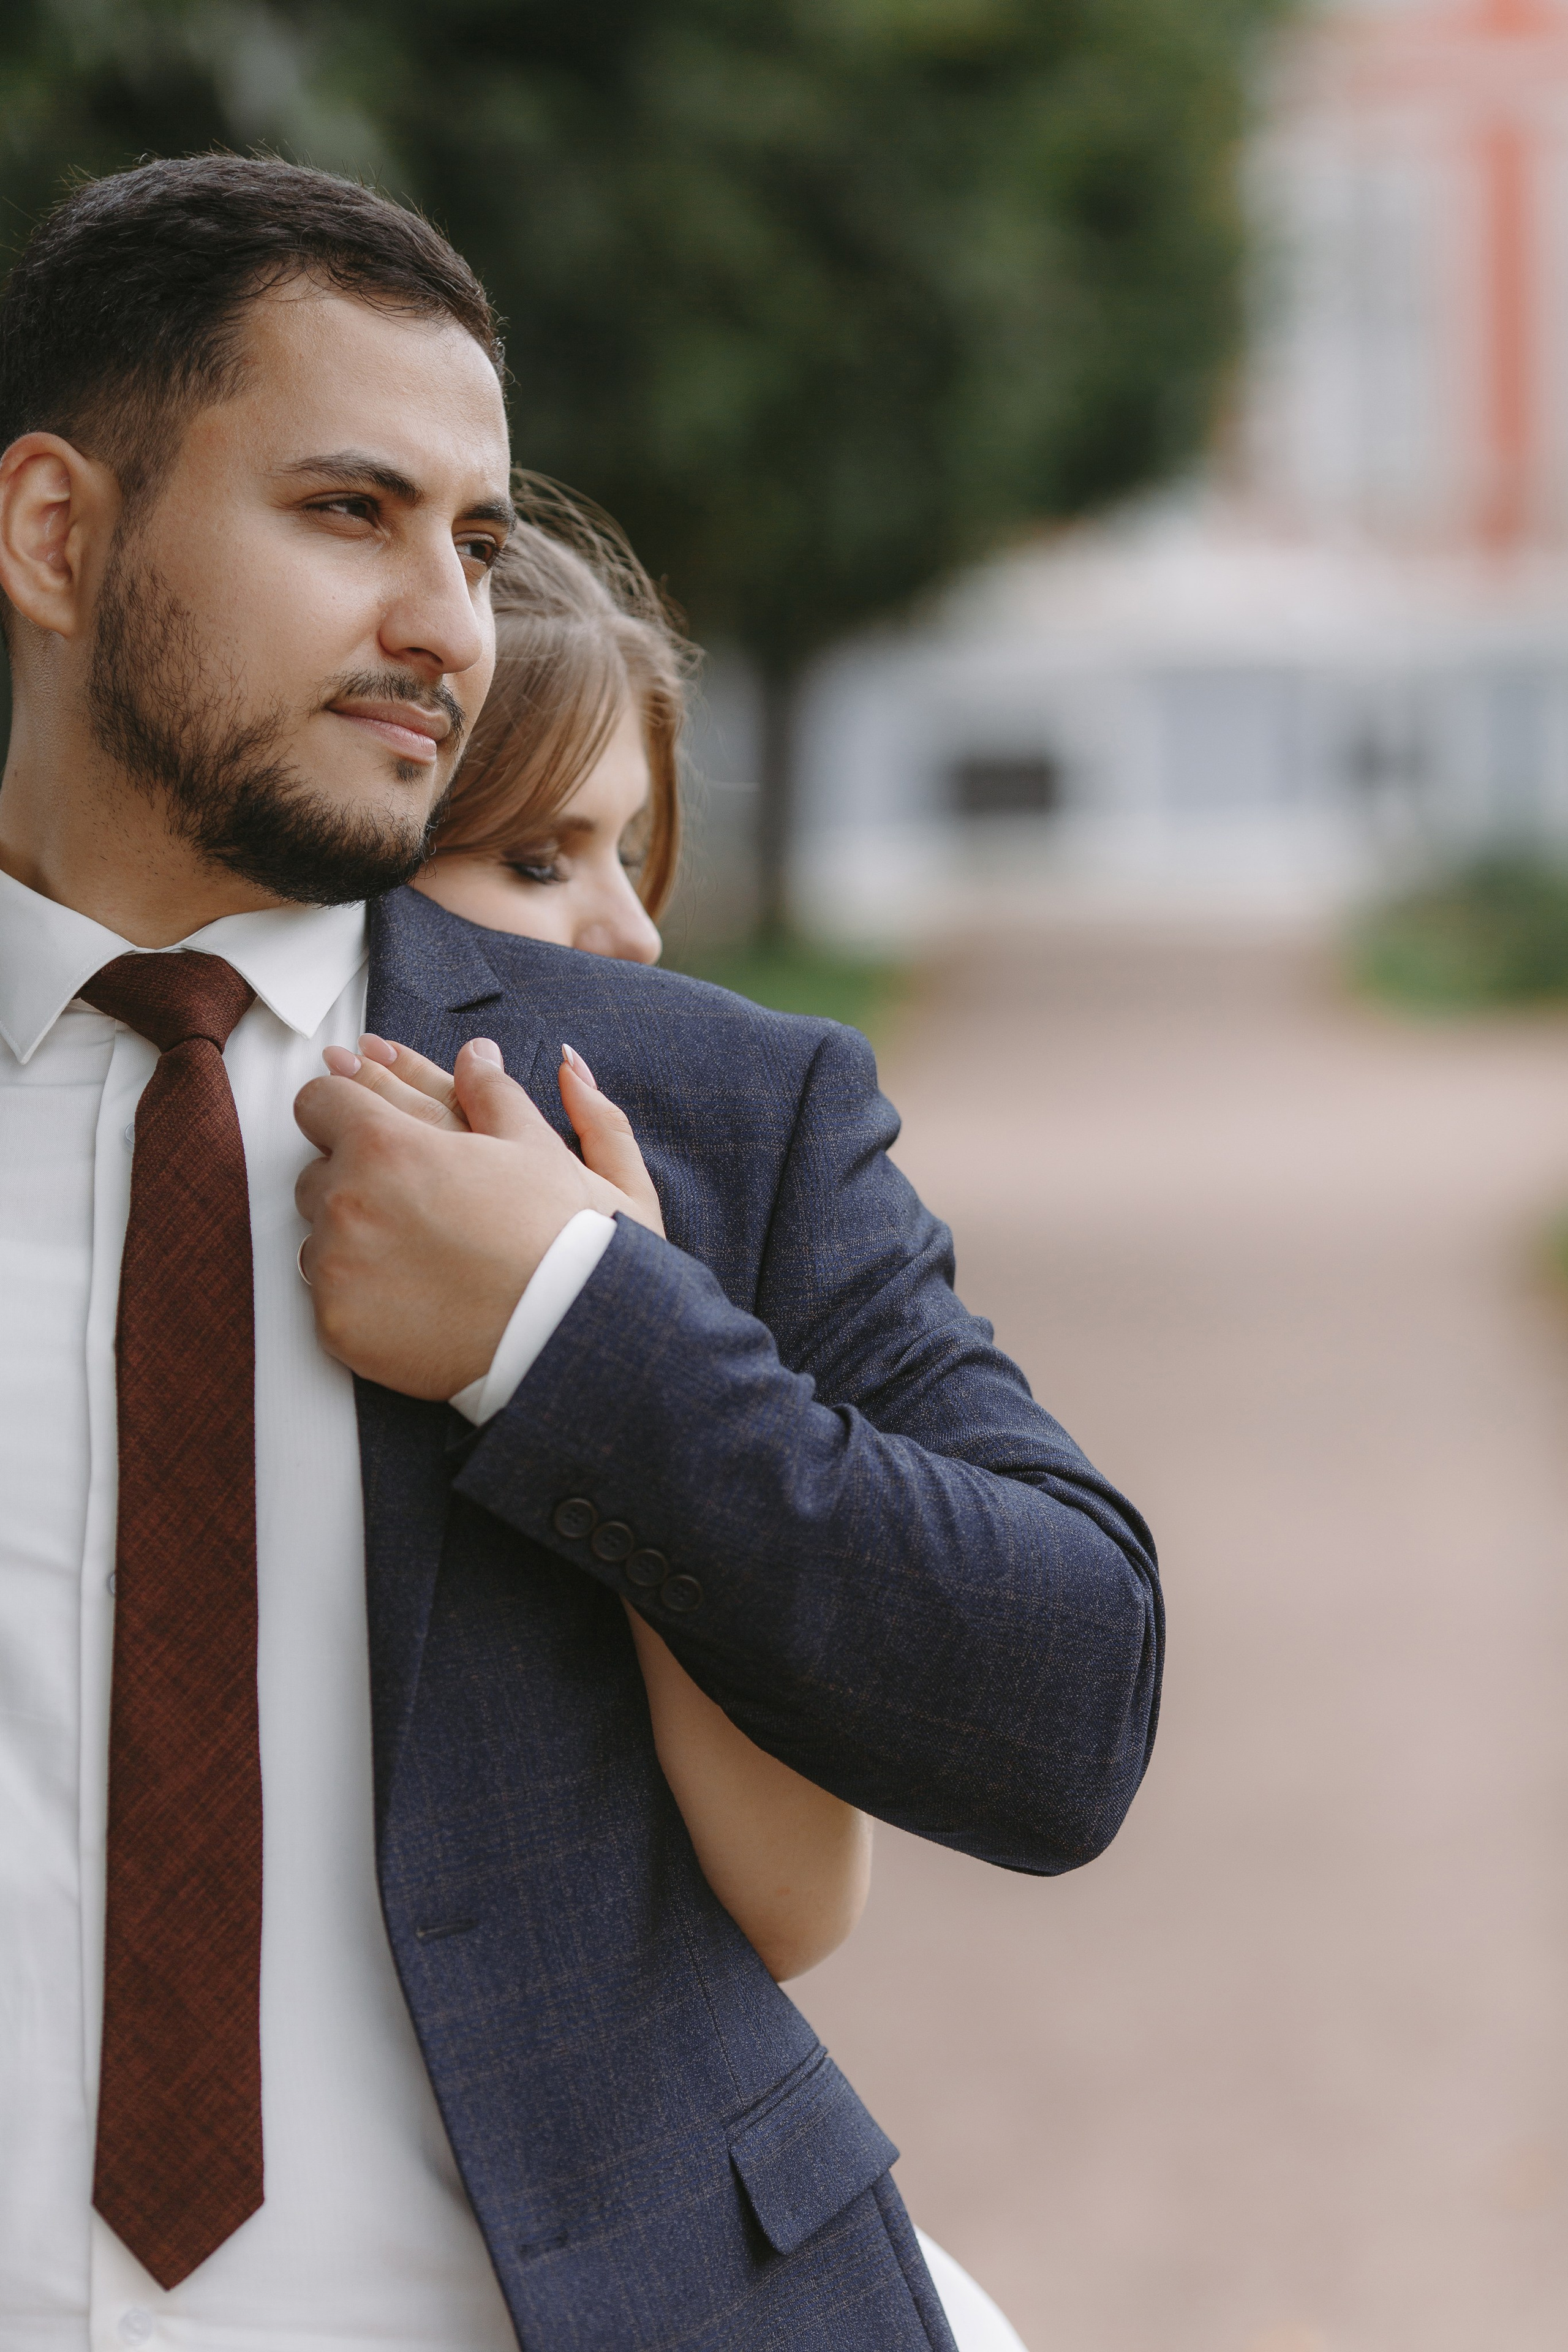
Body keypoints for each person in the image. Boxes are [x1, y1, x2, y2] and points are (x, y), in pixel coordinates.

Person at [0, 156, 1162, 2352]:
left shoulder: (700, 1113)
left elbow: (1067, 1707)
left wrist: (576, 1325)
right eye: (351, 514)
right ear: (58, 535)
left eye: (478, 541)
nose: (447, 621)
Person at [392, 488, 1029, 2346]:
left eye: (633, 853)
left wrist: (624, 1341)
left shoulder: (691, 1223)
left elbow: (791, 1900)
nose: (627, 932)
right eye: (533, 859)